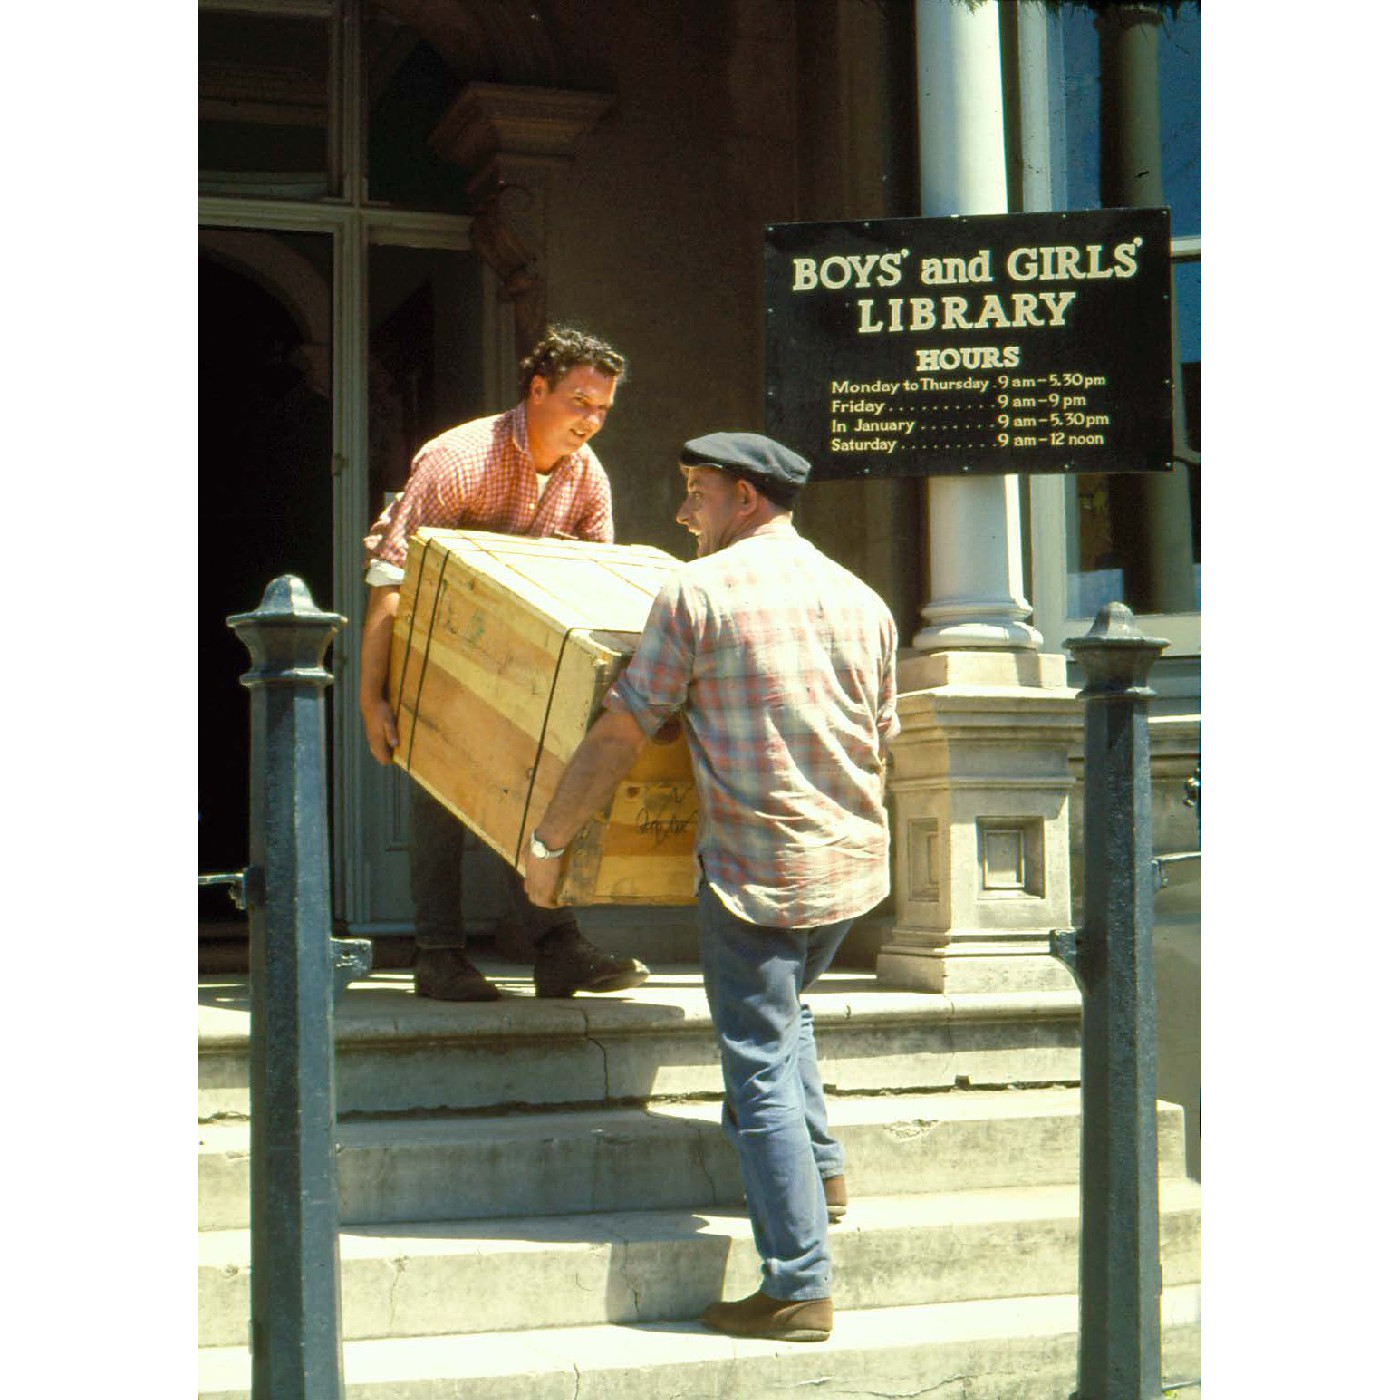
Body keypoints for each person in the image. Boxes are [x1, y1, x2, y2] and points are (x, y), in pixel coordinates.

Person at [521, 431, 899, 1342]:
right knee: (787, 1014)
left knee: (757, 1068)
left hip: (757, 875)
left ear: (742, 496)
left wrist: (548, 841)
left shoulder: (698, 592)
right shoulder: (863, 598)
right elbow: (883, 738)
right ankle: (825, 1172)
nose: (684, 511)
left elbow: (620, 731)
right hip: (851, 871)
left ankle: (799, 1284)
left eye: (696, 492)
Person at [359, 325, 651, 1003]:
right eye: (579, 402)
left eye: (603, 410)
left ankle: (557, 947)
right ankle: (437, 955)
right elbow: (391, 581)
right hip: (436, 651)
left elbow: (592, 581)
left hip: (526, 665)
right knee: (439, 800)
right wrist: (374, 698)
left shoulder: (588, 476)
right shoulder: (460, 459)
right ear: (537, 389)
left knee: (548, 785)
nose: (591, 421)